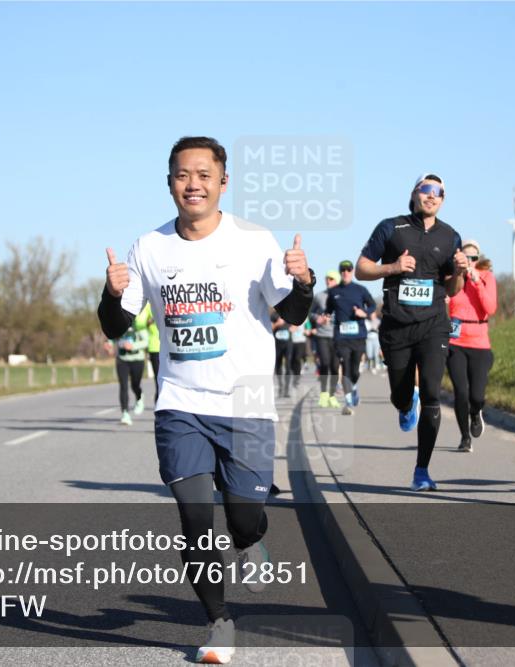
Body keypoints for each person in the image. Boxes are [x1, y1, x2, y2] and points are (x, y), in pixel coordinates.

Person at [97, 136, 314, 664]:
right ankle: (219, 622)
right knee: (194, 518)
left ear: (222, 182)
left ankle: (250, 540)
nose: (192, 184)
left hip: (245, 404)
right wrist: (111, 293)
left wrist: (304, 280)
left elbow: (294, 313)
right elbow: (115, 325)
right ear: (169, 182)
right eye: (181, 174)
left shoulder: (254, 240)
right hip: (180, 403)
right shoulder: (149, 248)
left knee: (242, 518)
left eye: (203, 175)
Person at [356, 173, 468, 491]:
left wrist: (460, 272)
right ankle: (406, 404)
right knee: (400, 394)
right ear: (415, 193)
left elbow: (453, 289)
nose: (432, 195)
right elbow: (362, 268)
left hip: (434, 325)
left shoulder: (451, 236)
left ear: (443, 200)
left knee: (432, 393)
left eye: (439, 192)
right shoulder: (391, 227)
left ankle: (422, 470)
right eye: (426, 189)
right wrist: (392, 267)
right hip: (397, 326)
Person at [446, 240, 498, 453]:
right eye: (465, 257)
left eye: (473, 258)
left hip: (479, 342)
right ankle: (465, 437)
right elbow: (445, 301)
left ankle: (476, 413)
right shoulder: (453, 278)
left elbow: (490, 308)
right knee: (460, 392)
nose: (469, 261)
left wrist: (477, 281)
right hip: (455, 341)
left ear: (478, 259)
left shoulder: (486, 277)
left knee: (476, 396)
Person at [325, 260, 376, 415]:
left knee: (354, 370)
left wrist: (364, 313)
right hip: (341, 337)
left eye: (348, 270)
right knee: (345, 367)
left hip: (358, 336)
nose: (345, 272)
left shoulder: (360, 290)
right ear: (340, 272)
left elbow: (372, 305)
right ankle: (347, 402)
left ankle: (353, 387)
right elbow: (328, 309)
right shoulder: (333, 292)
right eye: (343, 270)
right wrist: (325, 316)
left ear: (352, 272)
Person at [310, 271, 341, 408]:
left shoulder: (342, 295)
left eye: (331, 279)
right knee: (324, 363)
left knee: (335, 366)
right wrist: (317, 318)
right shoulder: (319, 296)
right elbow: (310, 312)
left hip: (337, 337)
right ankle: (323, 394)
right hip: (322, 335)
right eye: (327, 279)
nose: (328, 281)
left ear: (337, 281)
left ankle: (332, 395)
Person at [113, 319, 149, 426]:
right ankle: (125, 413)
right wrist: (109, 344)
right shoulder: (118, 326)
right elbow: (112, 337)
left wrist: (133, 346)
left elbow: (146, 341)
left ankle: (139, 397)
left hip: (137, 360)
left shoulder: (138, 326)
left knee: (135, 385)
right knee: (123, 386)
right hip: (122, 360)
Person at [135, 303, 162, 404]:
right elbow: (138, 324)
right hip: (155, 347)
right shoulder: (148, 304)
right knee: (159, 380)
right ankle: (159, 405)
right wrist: (152, 319)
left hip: (173, 345)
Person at [272, 312, 293, 398]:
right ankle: (280, 387)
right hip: (277, 344)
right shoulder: (274, 315)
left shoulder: (289, 313)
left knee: (288, 365)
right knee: (278, 366)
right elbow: (270, 328)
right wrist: (277, 324)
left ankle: (286, 390)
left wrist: (293, 328)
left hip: (288, 344)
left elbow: (298, 323)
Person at [365, 309, 382, 374]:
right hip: (368, 339)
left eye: (373, 314)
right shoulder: (366, 321)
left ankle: (375, 366)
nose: (372, 315)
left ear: (375, 314)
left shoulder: (378, 321)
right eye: (371, 314)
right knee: (369, 354)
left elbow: (379, 330)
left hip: (376, 338)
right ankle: (370, 365)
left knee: (376, 353)